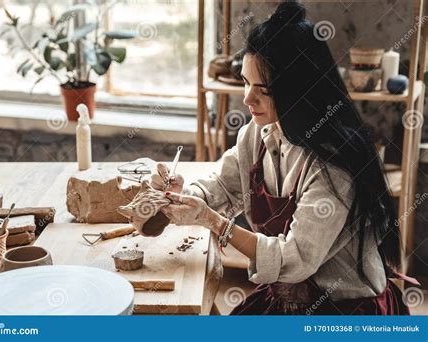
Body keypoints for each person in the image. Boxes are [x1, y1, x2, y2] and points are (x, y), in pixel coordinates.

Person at [151, 1, 418, 315]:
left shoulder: (332, 165)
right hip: (285, 295)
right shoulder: (258, 132)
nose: (247, 99)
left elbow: (295, 259)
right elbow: (224, 185)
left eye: (262, 90)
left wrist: (213, 221)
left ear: (296, 90)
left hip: (343, 309)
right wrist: (185, 194)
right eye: (246, 82)